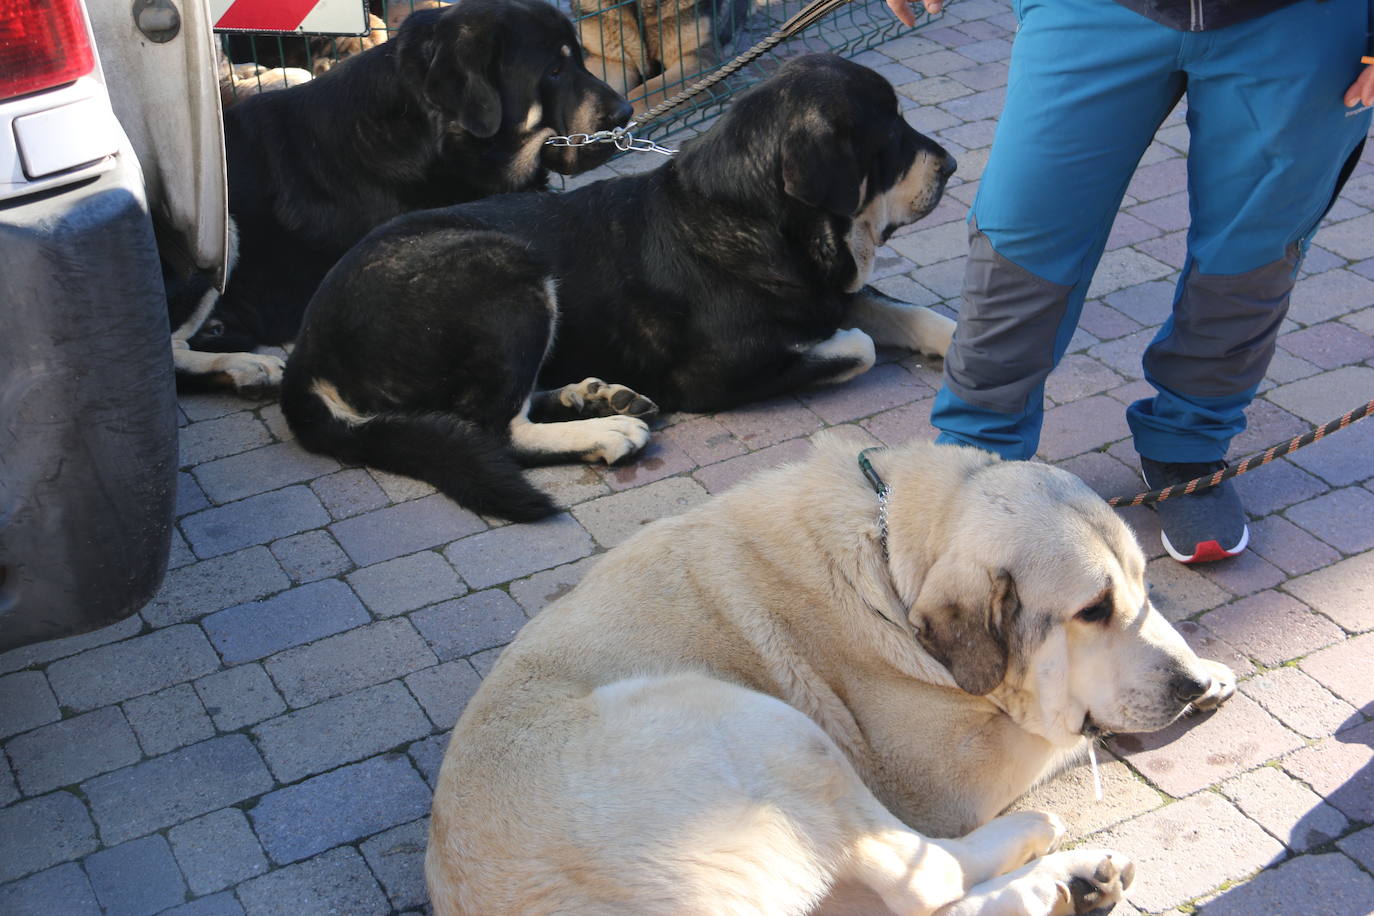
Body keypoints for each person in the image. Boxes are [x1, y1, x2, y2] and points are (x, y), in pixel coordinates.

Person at [886, 0, 1374, 564]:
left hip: (1300, 20)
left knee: (1255, 252)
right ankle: (977, 447)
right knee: (1022, 230)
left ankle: (1188, 444)